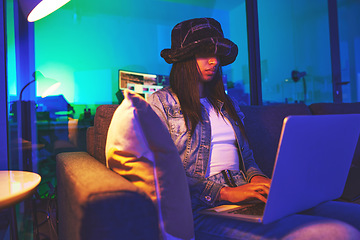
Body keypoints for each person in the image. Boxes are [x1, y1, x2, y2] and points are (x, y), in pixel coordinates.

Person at [148, 17, 360, 239]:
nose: (214, 61)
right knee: (337, 233)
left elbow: (246, 159)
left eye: (217, 54)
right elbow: (163, 173)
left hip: (245, 197)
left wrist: (257, 179)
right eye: (204, 53)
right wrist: (226, 193)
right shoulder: (160, 104)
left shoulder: (227, 105)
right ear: (184, 59)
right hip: (202, 209)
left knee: (354, 216)